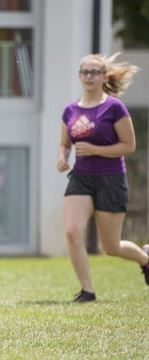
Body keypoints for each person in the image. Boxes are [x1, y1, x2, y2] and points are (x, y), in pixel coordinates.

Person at [55, 52, 149, 302]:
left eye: (94, 72)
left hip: (111, 178)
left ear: (104, 77)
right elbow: (65, 144)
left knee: (111, 247)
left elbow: (128, 145)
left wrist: (95, 150)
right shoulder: (70, 110)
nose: (88, 76)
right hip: (81, 178)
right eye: (84, 72)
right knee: (73, 232)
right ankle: (87, 290)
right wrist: (62, 157)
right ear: (79, 76)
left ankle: (145, 259)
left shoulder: (114, 107)